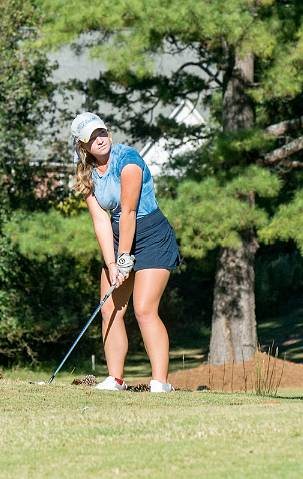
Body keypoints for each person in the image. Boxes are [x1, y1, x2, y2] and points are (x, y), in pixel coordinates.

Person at [70, 112, 180, 393]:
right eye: (92, 138)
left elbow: (128, 211)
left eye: (102, 132)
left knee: (144, 309)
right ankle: (115, 379)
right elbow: (101, 221)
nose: (100, 139)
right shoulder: (87, 174)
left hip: (152, 235)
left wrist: (124, 259)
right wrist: (112, 262)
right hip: (120, 237)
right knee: (110, 309)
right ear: (83, 147)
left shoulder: (128, 159)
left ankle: (160, 382)